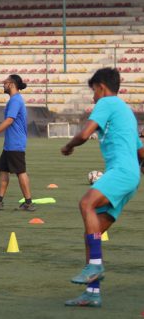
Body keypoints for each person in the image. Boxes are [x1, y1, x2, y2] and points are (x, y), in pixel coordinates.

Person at [60, 68, 143, 308]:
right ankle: (92, 292)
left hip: (120, 172)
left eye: (93, 92)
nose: (93, 98)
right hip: (132, 178)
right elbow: (141, 153)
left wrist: (69, 146)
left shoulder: (107, 102)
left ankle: (95, 266)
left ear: (101, 87)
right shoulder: (127, 112)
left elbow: (85, 133)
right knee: (92, 233)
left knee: (86, 203)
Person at [0, 74, 35, 211]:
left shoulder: (15, 100)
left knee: (20, 172)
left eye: (5, 81)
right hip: (10, 143)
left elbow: (9, 120)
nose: (3, 83)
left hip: (15, 143)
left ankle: (28, 202)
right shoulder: (14, 100)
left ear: (11, 84)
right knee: (3, 170)